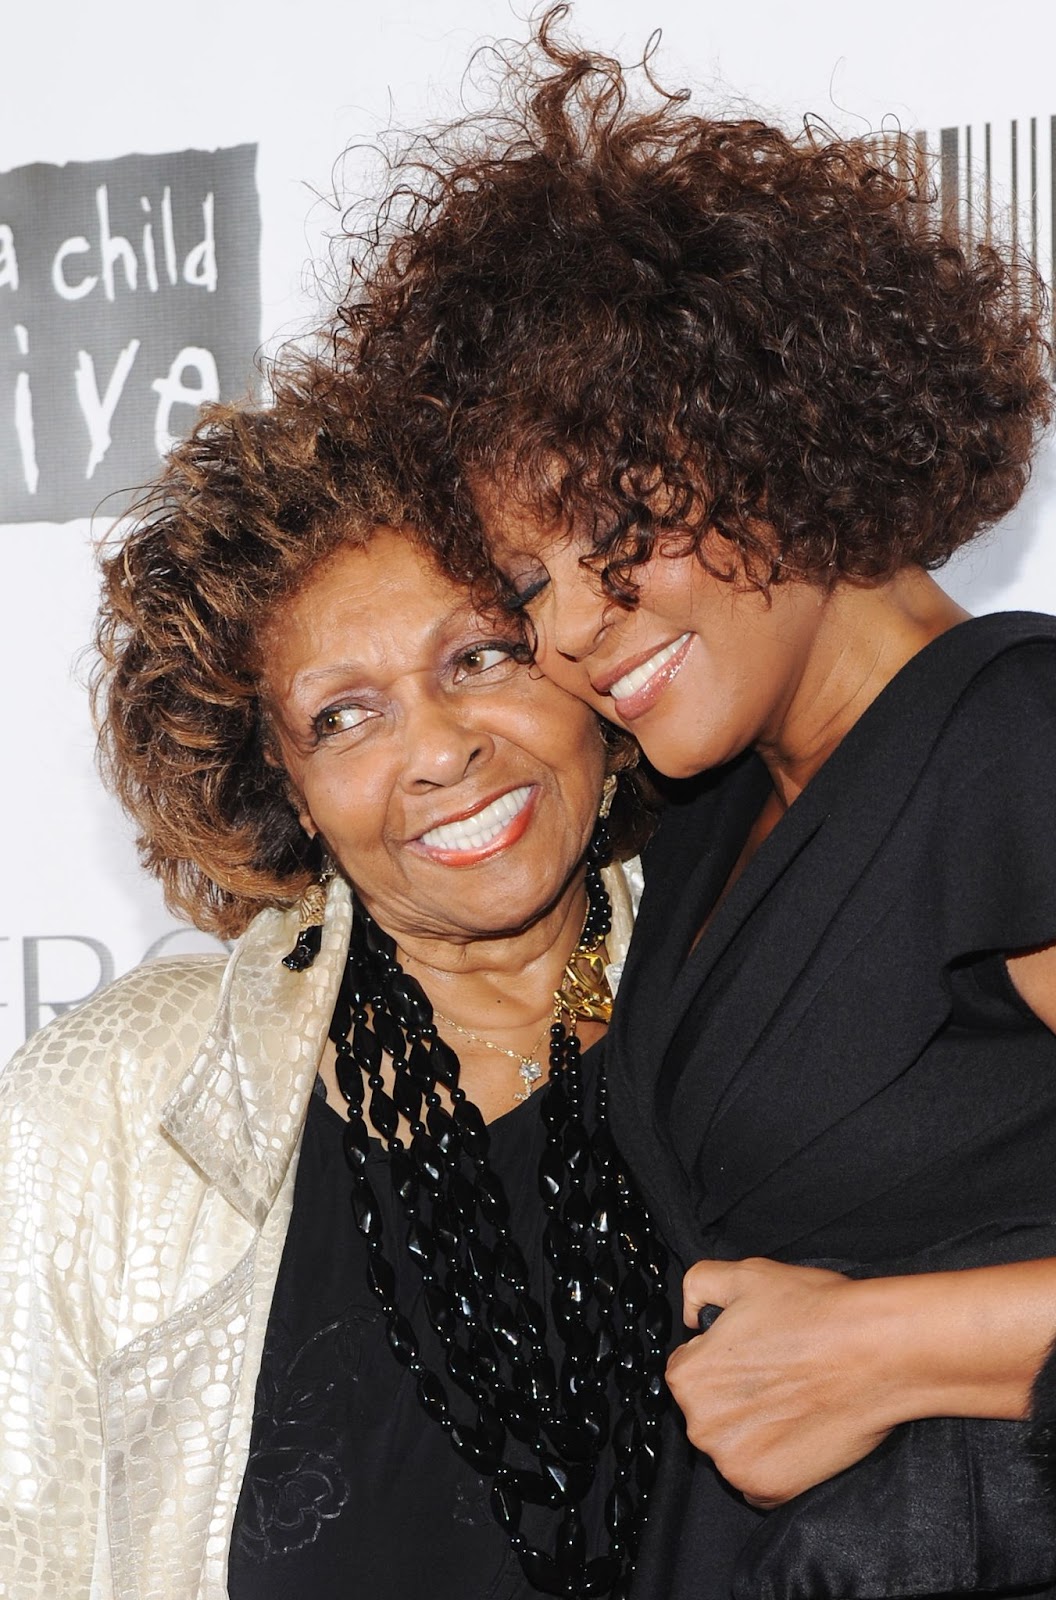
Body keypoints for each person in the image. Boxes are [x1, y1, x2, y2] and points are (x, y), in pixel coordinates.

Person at [331, 18, 1056, 1598]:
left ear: (778, 424)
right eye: (527, 581)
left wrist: (885, 1347)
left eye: (615, 528)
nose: (570, 627)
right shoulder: (709, 813)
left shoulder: (1022, 744)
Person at [0, 391, 670, 1600]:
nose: (436, 748)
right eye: (344, 715)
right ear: (291, 788)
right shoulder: (105, 1104)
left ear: (588, 670)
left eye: (481, 655)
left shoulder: (752, 984)